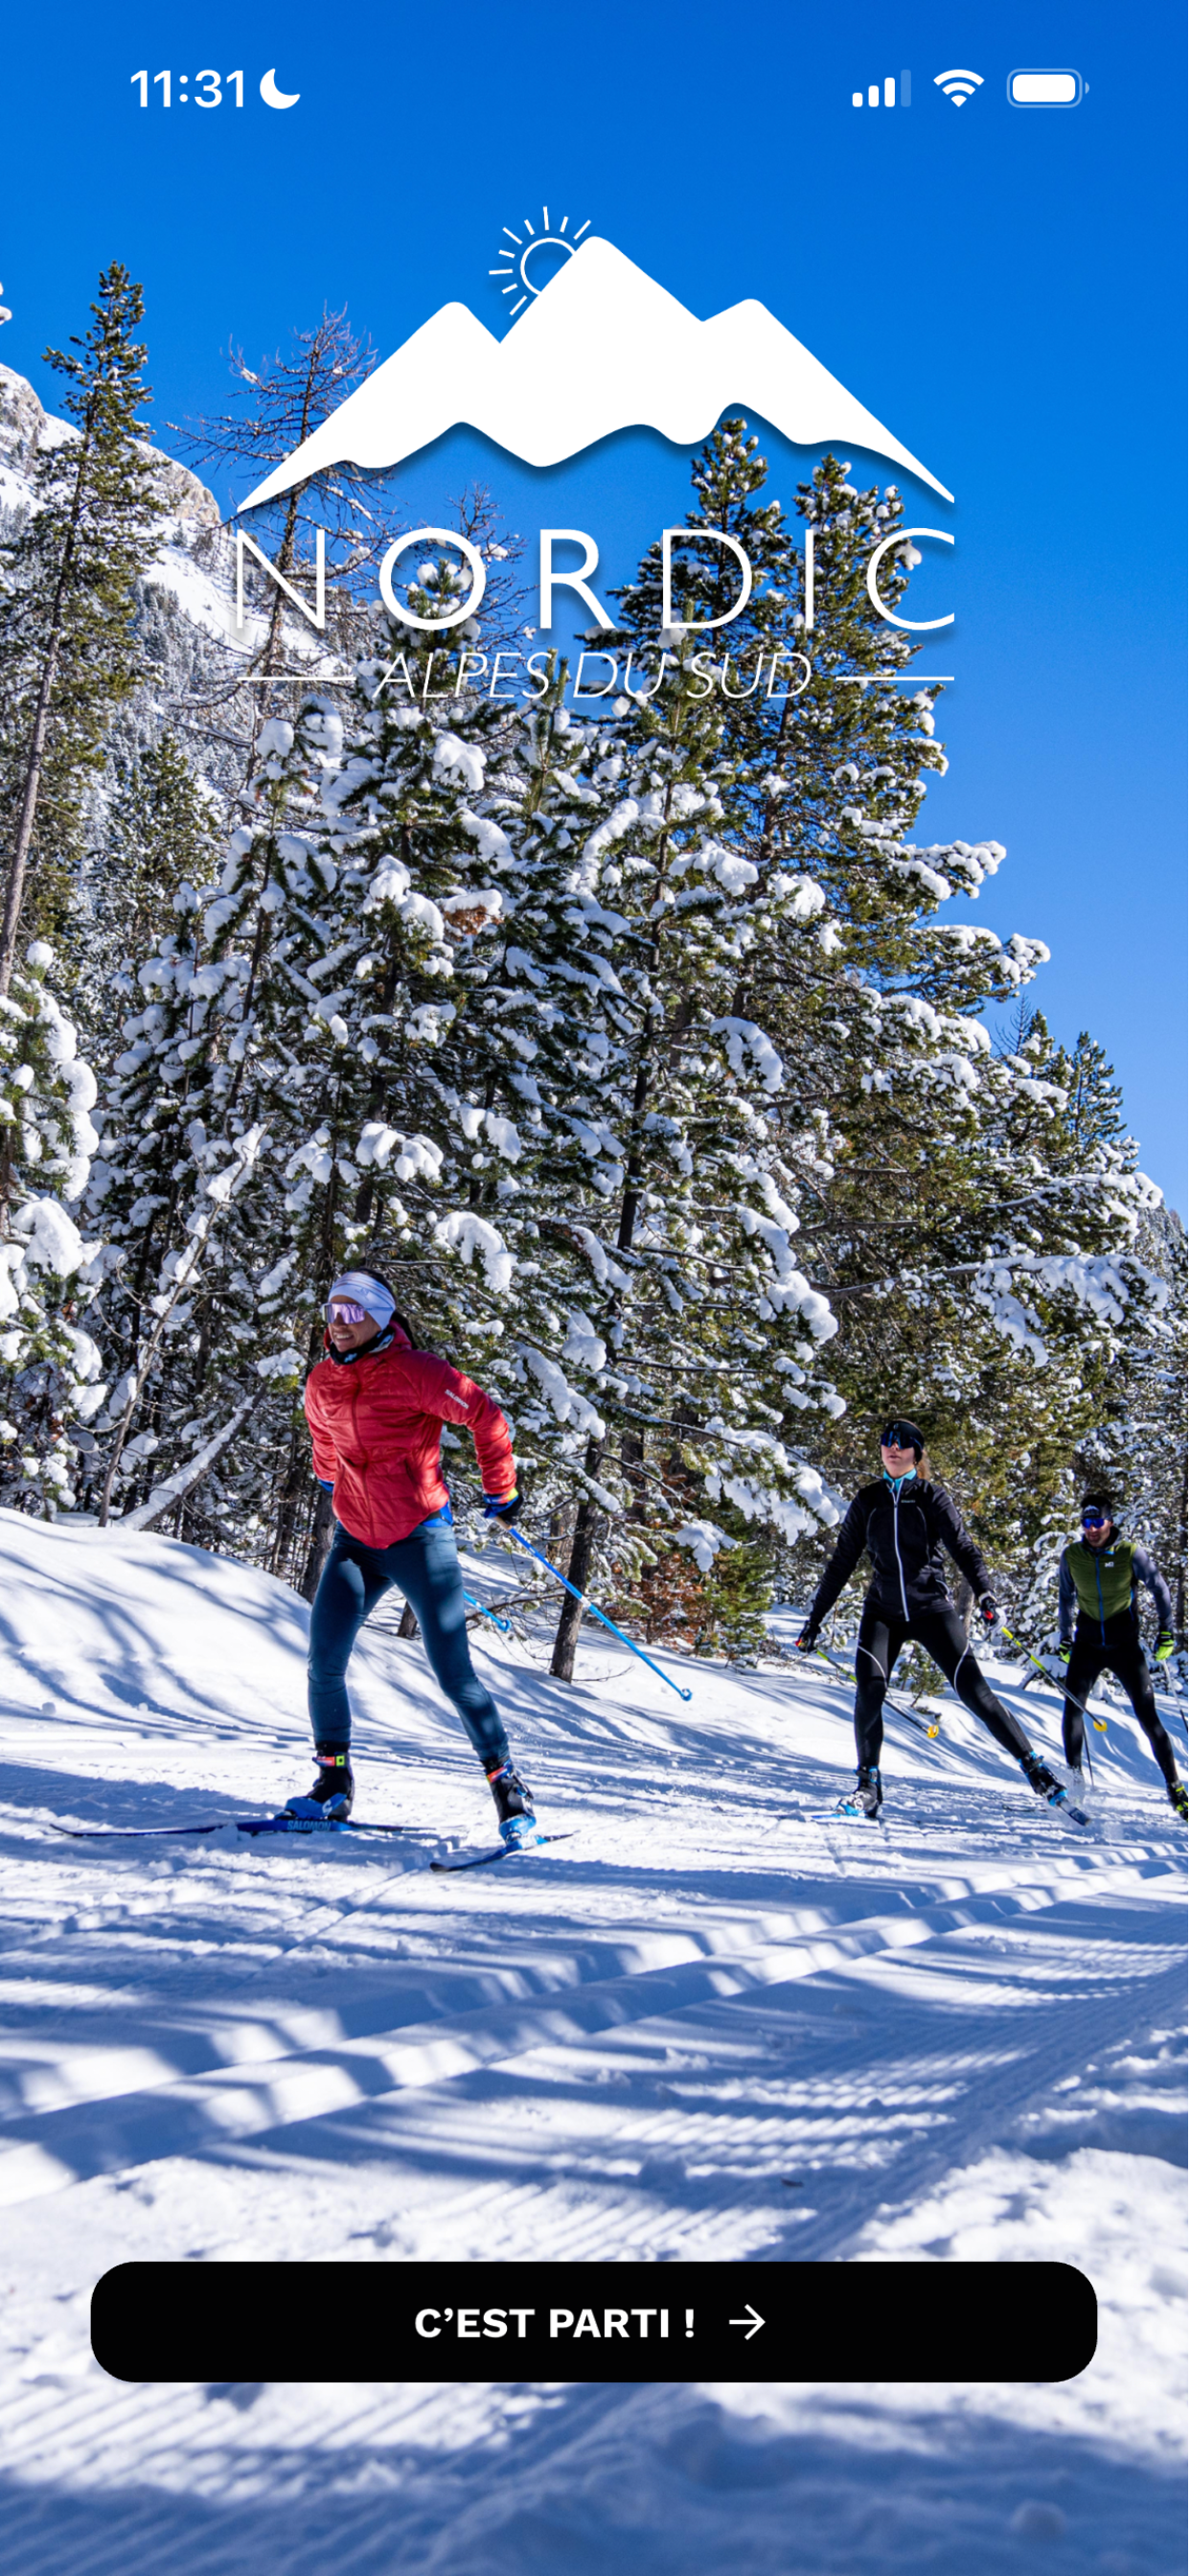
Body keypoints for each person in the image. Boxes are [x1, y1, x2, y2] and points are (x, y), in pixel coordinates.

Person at [291, 1266, 536, 1844]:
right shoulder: (321, 1381)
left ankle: (507, 1786)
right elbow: (323, 1440)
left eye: (352, 1312)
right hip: (356, 1540)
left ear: (380, 1315)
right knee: (323, 1662)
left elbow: (485, 1415)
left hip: (419, 1536)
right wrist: (333, 1483)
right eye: (332, 1312)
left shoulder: (418, 1373)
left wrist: (502, 1489)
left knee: (454, 1675)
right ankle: (333, 1785)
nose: (339, 1323)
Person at [794, 1416, 1065, 1817]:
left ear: (916, 1454)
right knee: (869, 1691)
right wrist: (814, 1619)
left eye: (902, 1443)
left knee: (976, 1693)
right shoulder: (867, 1501)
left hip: (930, 1609)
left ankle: (1037, 1771)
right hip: (883, 1612)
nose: (892, 1447)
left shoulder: (930, 1498)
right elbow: (841, 1564)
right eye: (887, 1441)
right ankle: (868, 1785)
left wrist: (985, 1591)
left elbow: (963, 1548)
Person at [1057, 1497, 1185, 1819]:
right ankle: (1075, 1785)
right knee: (1073, 1711)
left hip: (1124, 1646)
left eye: (1097, 1523)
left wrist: (1166, 1632)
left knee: (1148, 1718)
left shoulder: (1129, 1553)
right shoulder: (1072, 1556)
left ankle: (1175, 1788)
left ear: (1110, 1522)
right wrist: (1065, 1636)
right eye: (1085, 1524)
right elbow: (1065, 1597)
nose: (1091, 1530)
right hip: (1087, 1645)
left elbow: (1159, 1588)